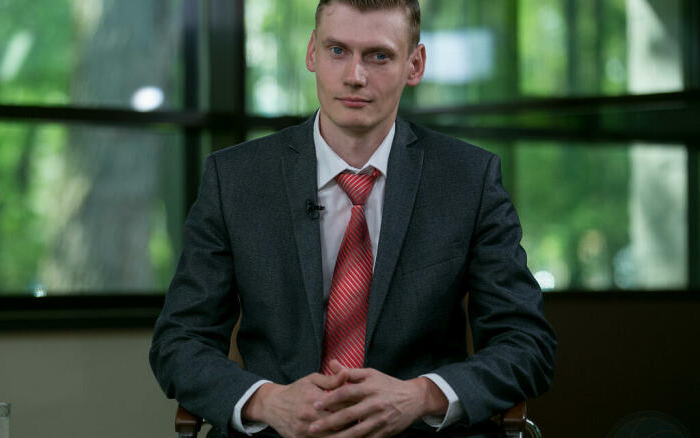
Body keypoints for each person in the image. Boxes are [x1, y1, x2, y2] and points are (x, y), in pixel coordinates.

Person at [150, 1, 556, 437]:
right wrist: (267, 402)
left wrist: (421, 395)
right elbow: (179, 343)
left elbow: (527, 344)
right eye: (337, 51)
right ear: (312, 52)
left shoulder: (468, 179)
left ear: (415, 64)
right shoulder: (235, 179)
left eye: (378, 56)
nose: (355, 76)